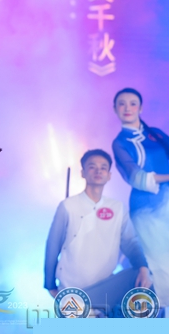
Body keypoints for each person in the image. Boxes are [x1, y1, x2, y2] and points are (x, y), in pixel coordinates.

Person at [44, 149, 151, 316]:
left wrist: (143, 268)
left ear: (109, 175)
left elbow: (131, 243)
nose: (98, 171)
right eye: (92, 167)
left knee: (145, 279)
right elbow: (53, 245)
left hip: (105, 288)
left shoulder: (117, 208)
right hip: (72, 289)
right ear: (83, 173)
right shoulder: (68, 206)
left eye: (103, 168)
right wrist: (50, 284)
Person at [112, 88, 169, 309]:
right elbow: (136, 177)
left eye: (133, 103)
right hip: (147, 210)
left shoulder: (156, 134)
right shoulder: (120, 143)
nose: (127, 108)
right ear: (115, 109)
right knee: (162, 267)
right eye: (122, 103)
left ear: (141, 108)